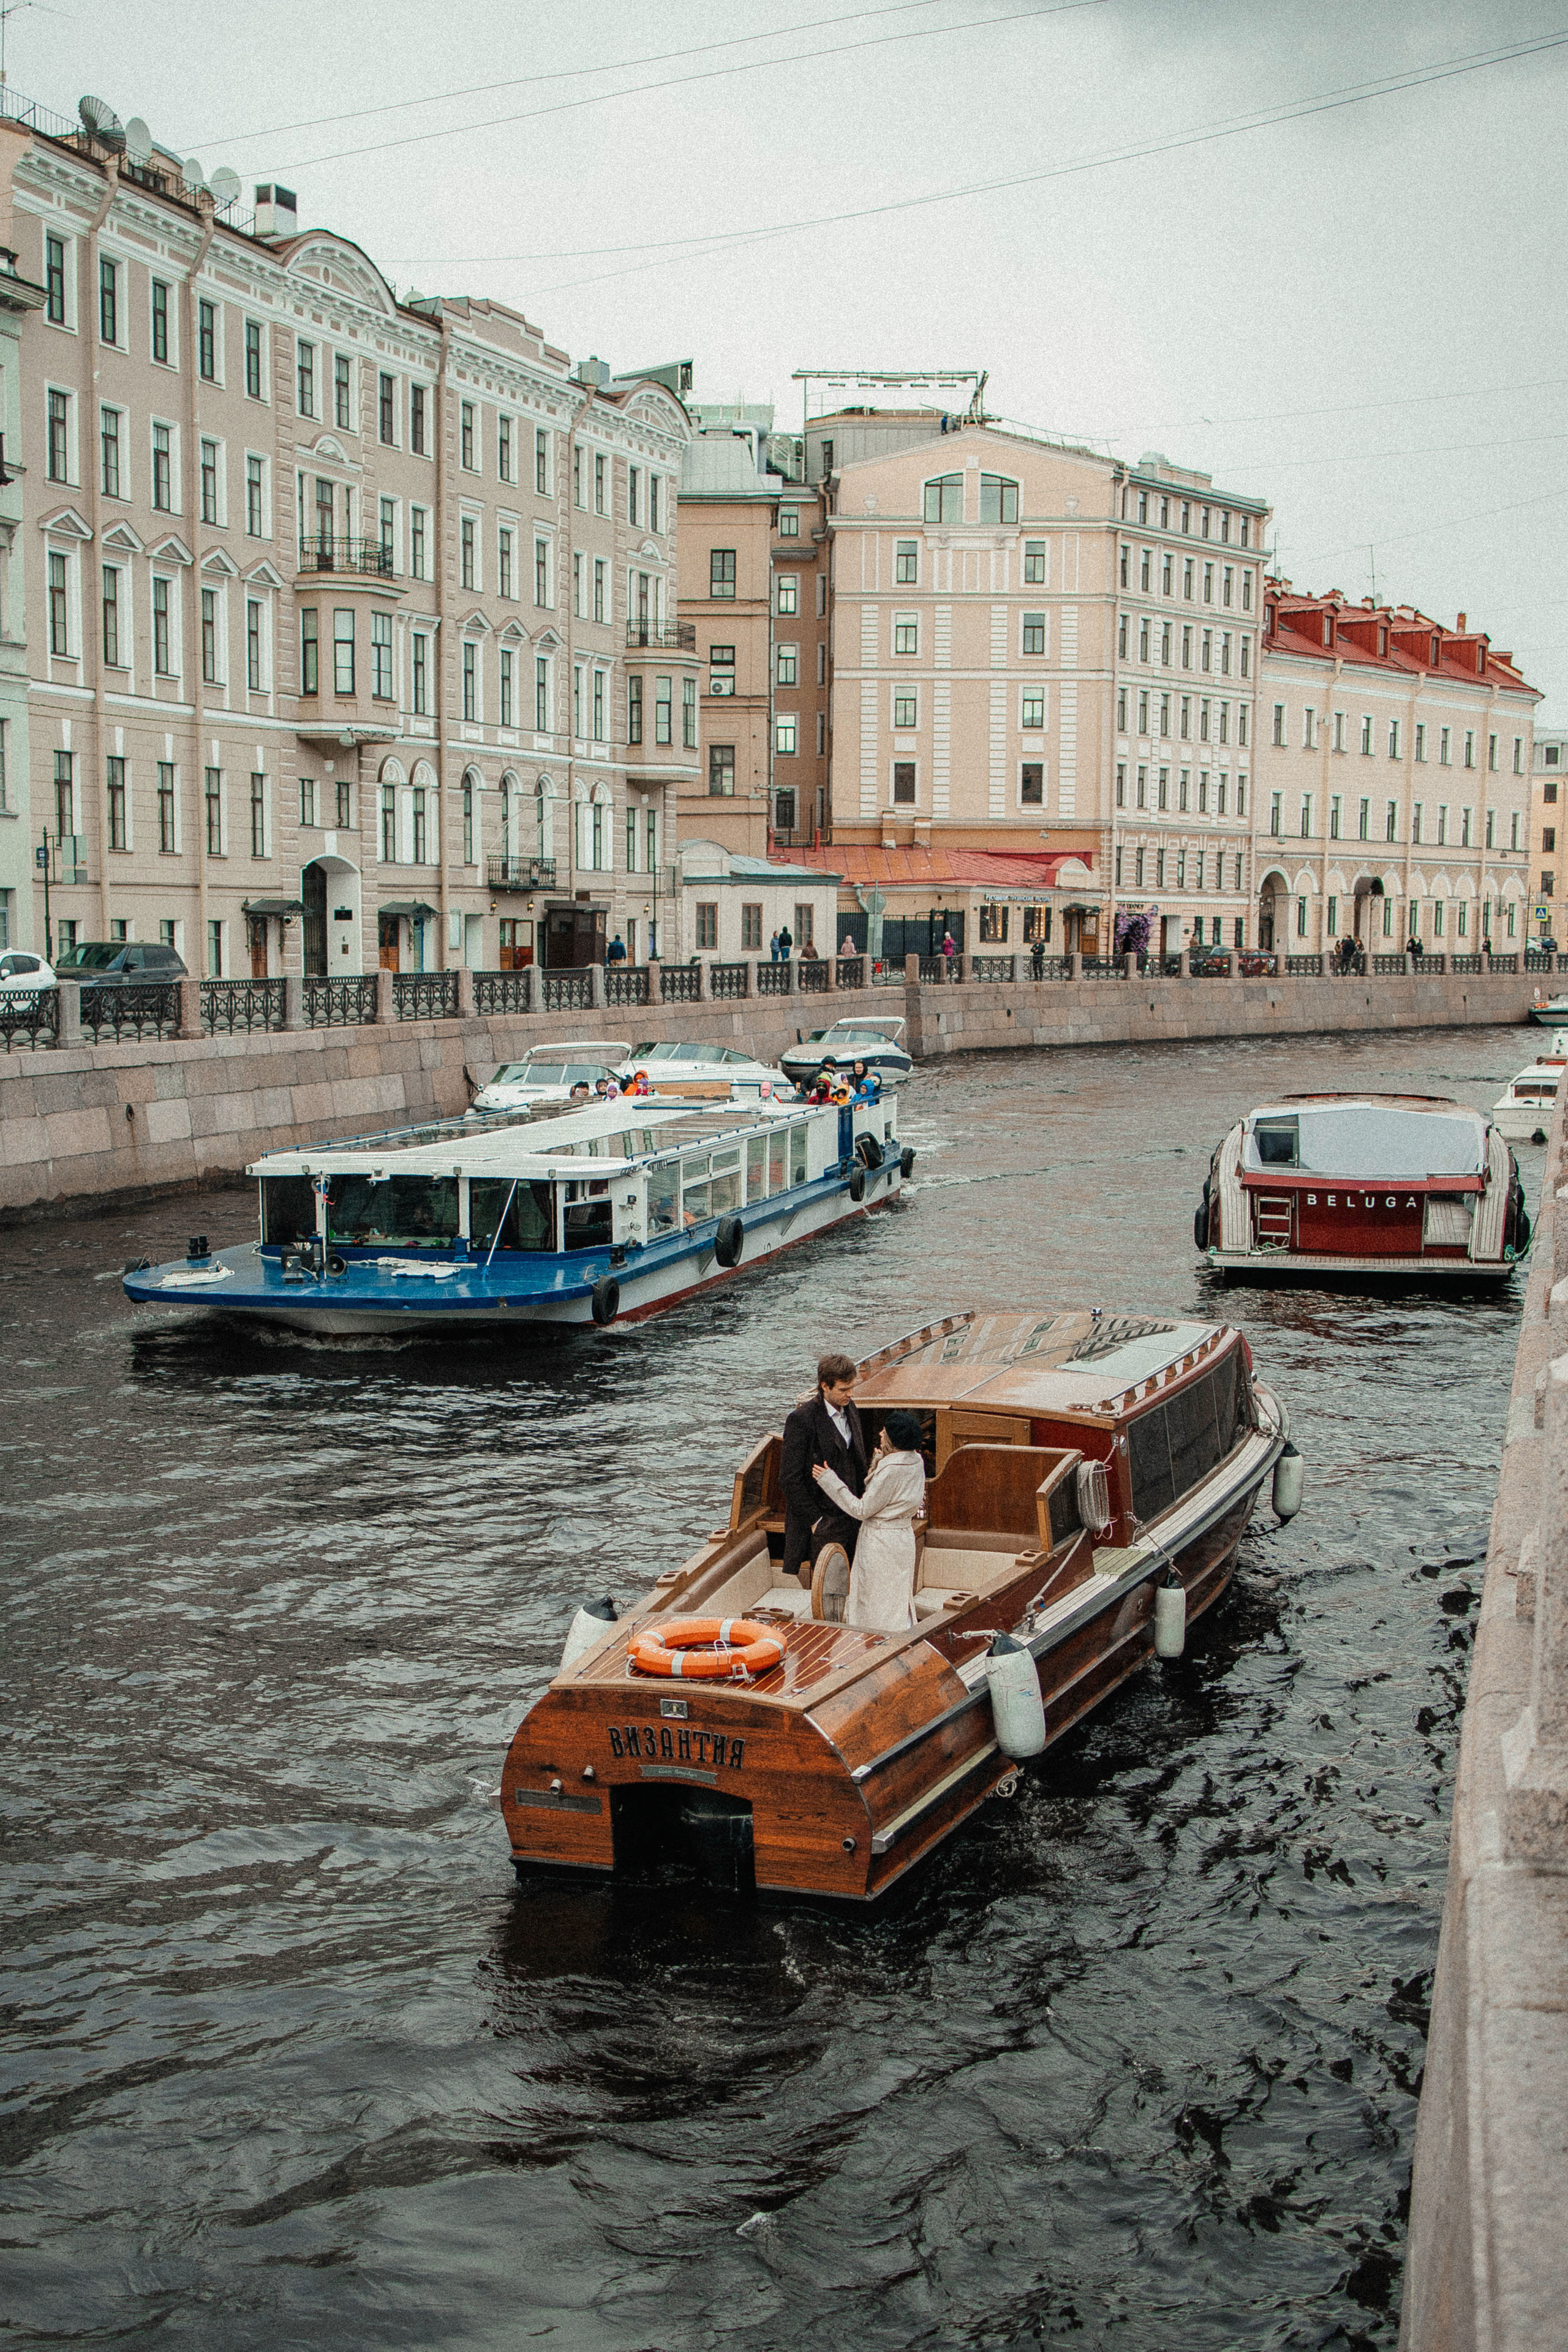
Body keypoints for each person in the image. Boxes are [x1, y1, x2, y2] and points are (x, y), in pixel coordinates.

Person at [812, 1410, 926, 1631]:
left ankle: (875, 1643)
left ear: (893, 1439)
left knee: (875, 1599)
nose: (881, 1433)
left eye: (886, 1431)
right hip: (902, 1539)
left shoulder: (892, 1469)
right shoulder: (916, 1461)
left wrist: (829, 1480)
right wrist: (879, 1461)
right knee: (896, 1598)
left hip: (881, 1543)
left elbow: (862, 1509)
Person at [780, 1351, 867, 1585]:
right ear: (824, 1386)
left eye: (851, 1388)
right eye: (843, 1389)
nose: (850, 1394)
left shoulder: (851, 1408)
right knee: (826, 1587)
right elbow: (789, 1478)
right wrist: (816, 1521)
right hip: (825, 1520)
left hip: (853, 1514)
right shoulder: (802, 1420)